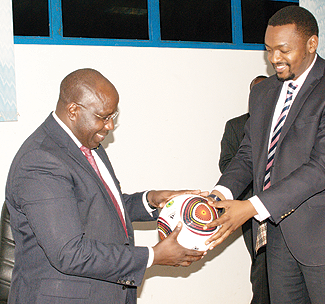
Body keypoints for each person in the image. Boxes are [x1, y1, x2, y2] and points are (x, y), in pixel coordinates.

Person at [205, 6, 325, 303]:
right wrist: (221, 192)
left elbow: (322, 167)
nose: (274, 59)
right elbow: (248, 153)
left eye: (283, 50)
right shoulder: (263, 92)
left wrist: (251, 207)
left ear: (311, 43)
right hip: (281, 238)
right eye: (269, 50)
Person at [5, 68, 206, 304]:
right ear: (73, 110)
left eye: (114, 116)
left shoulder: (86, 143)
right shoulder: (41, 160)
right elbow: (69, 253)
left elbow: (99, 208)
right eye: (104, 116)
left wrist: (151, 200)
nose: (110, 126)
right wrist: (152, 255)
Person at [219, 75, 269, 304]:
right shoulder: (236, 125)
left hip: (280, 207)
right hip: (247, 208)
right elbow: (227, 163)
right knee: (261, 264)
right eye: (255, 93)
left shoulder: (285, 124)